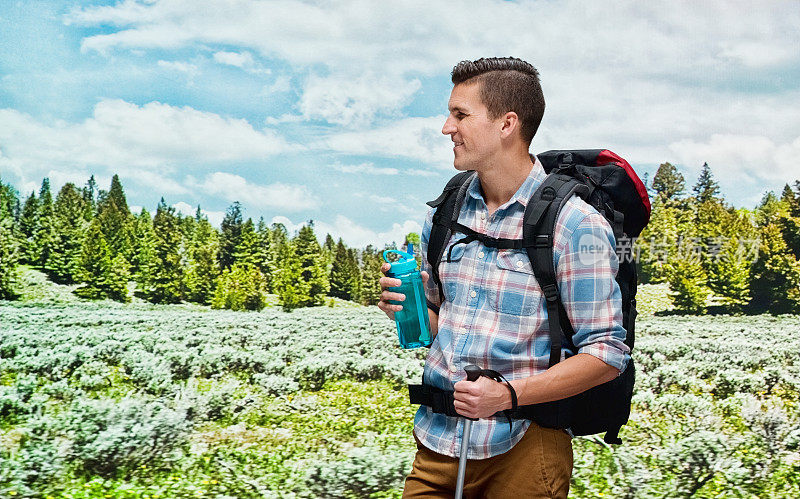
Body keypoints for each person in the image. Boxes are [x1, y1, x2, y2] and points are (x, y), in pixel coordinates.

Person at [378, 57, 630, 498]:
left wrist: (507, 395)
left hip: (526, 449)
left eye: (460, 115)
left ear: (506, 124)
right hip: (438, 443)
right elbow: (441, 324)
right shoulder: (445, 214)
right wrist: (409, 310)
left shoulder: (576, 225)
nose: (446, 127)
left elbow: (607, 353)